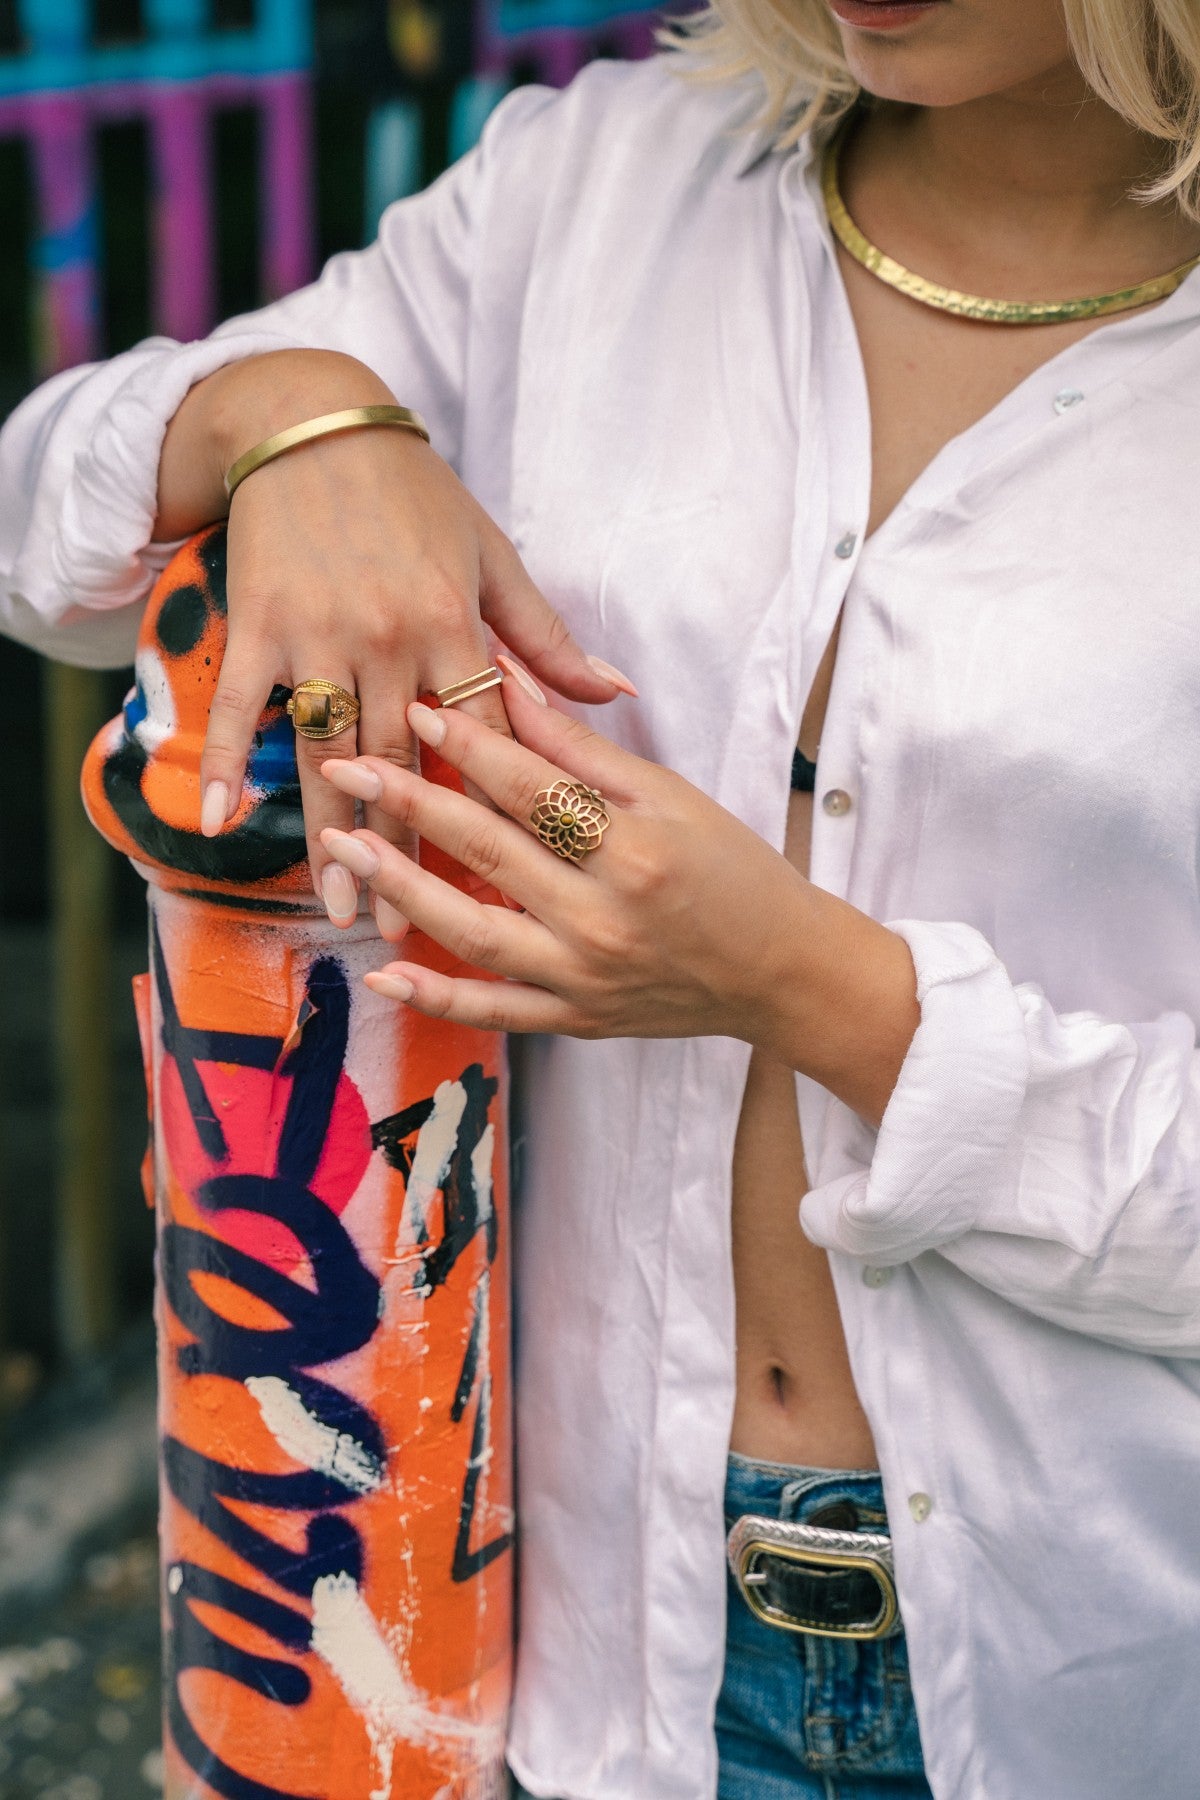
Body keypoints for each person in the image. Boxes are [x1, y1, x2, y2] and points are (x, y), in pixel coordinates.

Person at [3, 0, 1200, 1792]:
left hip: (1072, 1672)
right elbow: (50, 532)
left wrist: (809, 987)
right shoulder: (604, 187)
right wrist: (295, 421)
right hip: (562, 1654)